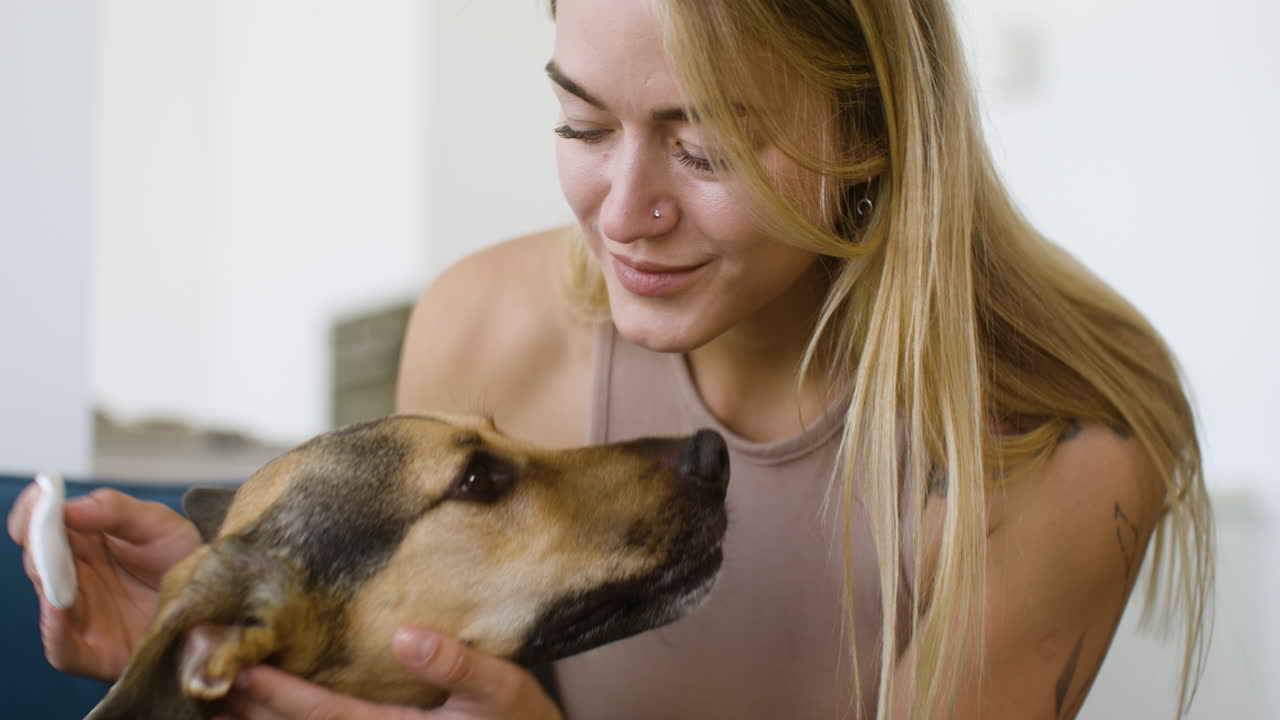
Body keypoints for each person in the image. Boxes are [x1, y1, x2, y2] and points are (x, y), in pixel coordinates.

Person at [9, 0, 1213, 717]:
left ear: (871, 132)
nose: (622, 212)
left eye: (705, 150)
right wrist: (221, 621)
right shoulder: (484, 327)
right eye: (582, 125)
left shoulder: (1050, 433)